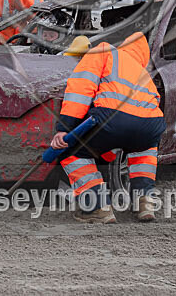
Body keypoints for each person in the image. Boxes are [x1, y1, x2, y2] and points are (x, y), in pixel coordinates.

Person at [51, 32, 166, 223]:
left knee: (70, 149)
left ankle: (97, 207)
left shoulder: (104, 51)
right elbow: (143, 116)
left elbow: (81, 88)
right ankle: (145, 202)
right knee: (143, 151)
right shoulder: (144, 74)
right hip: (151, 125)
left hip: (112, 117)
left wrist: (64, 127)